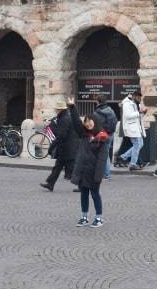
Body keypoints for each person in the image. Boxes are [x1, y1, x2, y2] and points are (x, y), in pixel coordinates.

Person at [68, 98, 108, 227]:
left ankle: (99, 218)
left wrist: (98, 175)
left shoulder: (103, 137)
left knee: (95, 194)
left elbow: (102, 159)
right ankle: (84, 216)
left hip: (93, 171)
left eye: (90, 121)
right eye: (86, 122)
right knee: (84, 194)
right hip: (83, 169)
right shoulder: (84, 134)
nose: (88, 124)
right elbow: (76, 123)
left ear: (94, 121)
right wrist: (72, 107)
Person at [40, 103, 80, 191]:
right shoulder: (64, 117)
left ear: (60, 110)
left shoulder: (64, 119)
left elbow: (62, 135)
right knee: (57, 167)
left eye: (56, 109)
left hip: (68, 148)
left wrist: (52, 146)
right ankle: (50, 183)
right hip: (66, 148)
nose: (55, 110)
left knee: (72, 169)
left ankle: (82, 186)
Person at [116, 89, 146, 169]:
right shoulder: (127, 104)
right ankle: (133, 164)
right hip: (131, 128)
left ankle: (123, 157)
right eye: (138, 98)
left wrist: (143, 113)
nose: (140, 100)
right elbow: (128, 116)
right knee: (137, 145)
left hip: (137, 128)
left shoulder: (137, 104)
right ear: (134, 97)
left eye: (140, 98)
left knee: (140, 144)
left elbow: (138, 117)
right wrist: (139, 113)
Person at [94, 94, 118, 180]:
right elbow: (115, 121)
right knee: (106, 153)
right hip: (110, 134)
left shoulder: (97, 112)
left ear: (98, 101)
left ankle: (106, 174)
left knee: (103, 155)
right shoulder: (110, 110)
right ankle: (105, 174)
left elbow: (96, 125)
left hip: (102, 135)